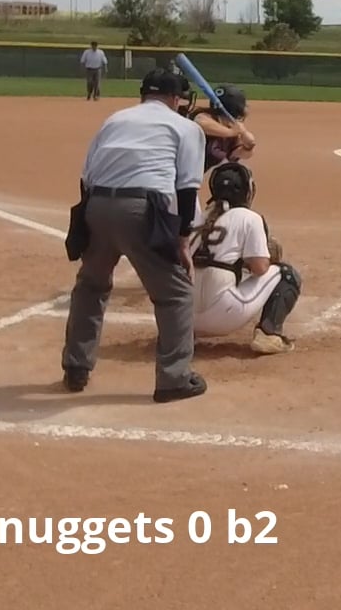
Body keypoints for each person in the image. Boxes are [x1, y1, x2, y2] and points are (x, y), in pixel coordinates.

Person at [61, 68, 210, 402]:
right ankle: (173, 379)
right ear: (175, 98)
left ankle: (76, 367)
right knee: (175, 294)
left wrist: (90, 225)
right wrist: (182, 241)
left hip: (97, 205)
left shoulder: (115, 120)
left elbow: (87, 177)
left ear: (144, 94)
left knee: (91, 286)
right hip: (143, 210)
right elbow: (187, 190)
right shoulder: (185, 127)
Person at [189, 162, 301, 355]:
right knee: (286, 274)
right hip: (223, 316)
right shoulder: (249, 218)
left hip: (183, 319)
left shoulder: (197, 218)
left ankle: (178, 337)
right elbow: (260, 268)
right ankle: (269, 334)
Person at [187, 82, 257, 174]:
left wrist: (248, 147)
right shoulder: (204, 116)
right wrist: (232, 132)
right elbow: (200, 122)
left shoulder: (232, 132)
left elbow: (239, 154)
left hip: (189, 176)